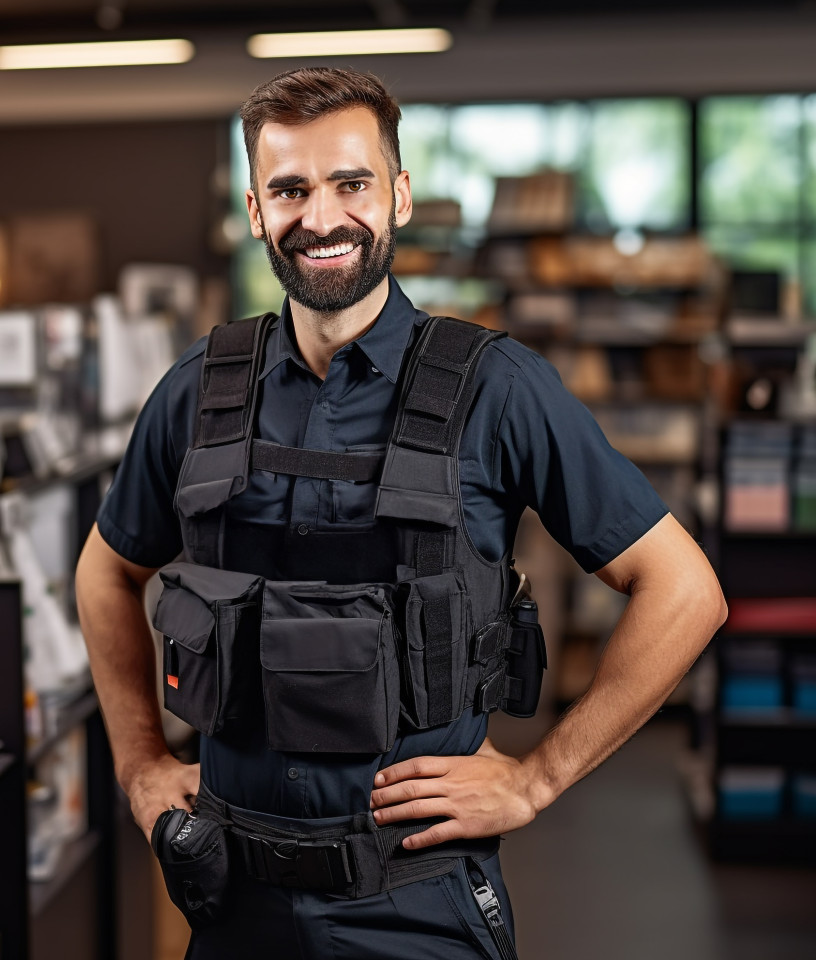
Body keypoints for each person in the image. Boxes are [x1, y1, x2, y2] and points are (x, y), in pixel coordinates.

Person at [75, 66, 727, 959]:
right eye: (290, 190)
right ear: (257, 212)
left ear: (400, 197)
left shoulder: (497, 388)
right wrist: (139, 763)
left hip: (415, 903)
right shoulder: (200, 388)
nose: (322, 217)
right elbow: (106, 569)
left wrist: (538, 778)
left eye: (352, 183)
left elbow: (684, 590)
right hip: (231, 900)